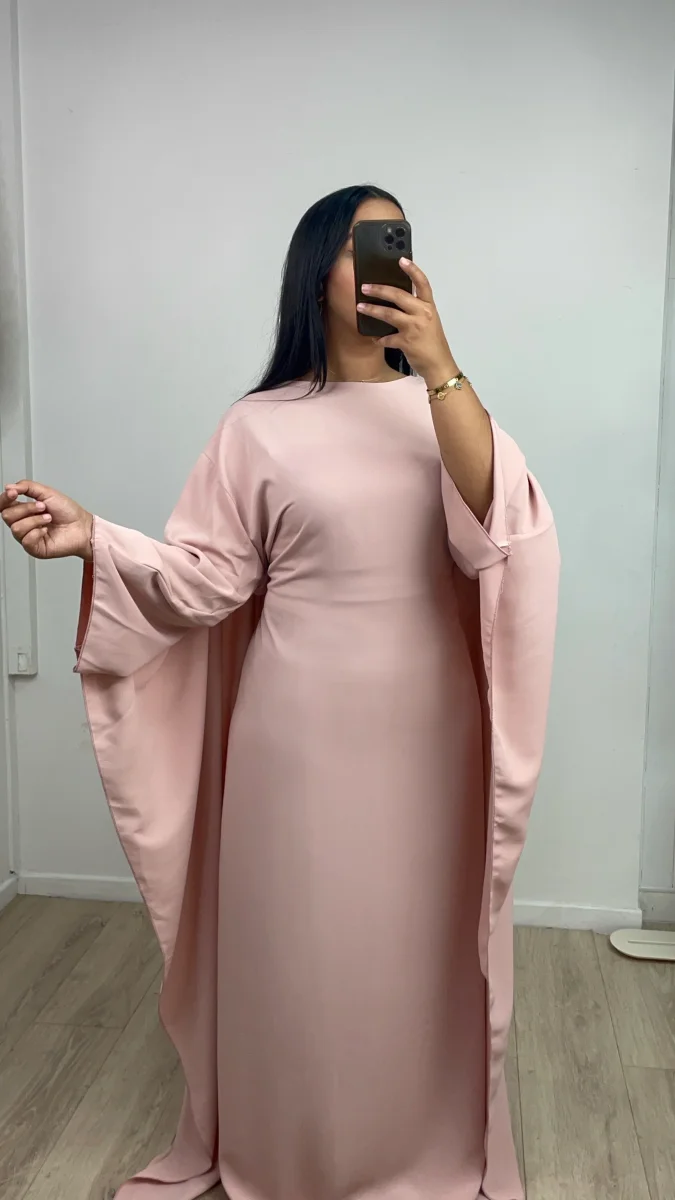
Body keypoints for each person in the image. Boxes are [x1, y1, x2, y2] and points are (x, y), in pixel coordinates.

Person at [1, 184, 559, 1200]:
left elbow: (500, 529)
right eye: (361, 244)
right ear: (316, 272)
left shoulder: (446, 410)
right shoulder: (256, 426)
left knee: (410, 949)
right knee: (300, 950)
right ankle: (293, 1152)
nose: (387, 260)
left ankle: (415, 1147)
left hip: (429, 734)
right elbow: (208, 579)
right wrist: (96, 539)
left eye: (398, 241)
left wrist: (440, 365)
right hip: (292, 736)